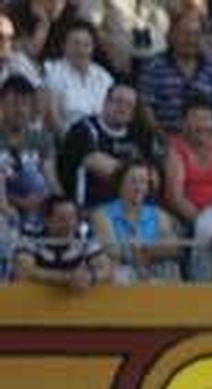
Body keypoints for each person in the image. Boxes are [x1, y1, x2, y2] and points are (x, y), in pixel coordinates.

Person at [55, 77, 160, 208]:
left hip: (132, 209)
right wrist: (141, 177)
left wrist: (138, 177)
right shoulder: (84, 129)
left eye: (129, 105)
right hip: (92, 208)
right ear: (105, 102)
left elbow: (155, 179)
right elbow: (100, 166)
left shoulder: (139, 135)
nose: (122, 108)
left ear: (133, 113)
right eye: (118, 101)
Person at [136, 7, 212, 134]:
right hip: (166, 141)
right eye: (184, 33)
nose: (190, 40)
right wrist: (161, 136)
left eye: (196, 34)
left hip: (206, 144)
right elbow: (145, 108)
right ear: (171, 35)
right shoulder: (153, 67)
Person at [90, 158, 181, 283]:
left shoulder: (159, 214)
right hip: (119, 273)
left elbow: (172, 246)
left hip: (152, 272)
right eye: (133, 181)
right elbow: (113, 252)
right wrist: (147, 251)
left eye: (143, 182)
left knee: (171, 270)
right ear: (120, 183)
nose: (138, 187)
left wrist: (144, 250)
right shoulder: (101, 214)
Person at [161, 92, 212, 230]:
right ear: (184, 123)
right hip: (188, 219)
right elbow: (174, 197)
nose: (202, 124)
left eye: (206, 118)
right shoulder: (175, 148)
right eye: (195, 118)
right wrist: (204, 222)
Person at [12, 192, 110, 289]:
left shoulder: (84, 234)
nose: (69, 224)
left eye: (72, 218)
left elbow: (106, 269)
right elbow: (24, 270)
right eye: (62, 219)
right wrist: (66, 278)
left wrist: (90, 277)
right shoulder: (30, 235)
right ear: (47, 220)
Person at [1, 73, 58, 236]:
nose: (20, 110)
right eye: (14, 104)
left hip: (39, 203)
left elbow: (50, 177)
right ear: (2, 105)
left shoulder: (42, 138)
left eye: (25, 104)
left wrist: (55, 201)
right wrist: (20, 202)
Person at [40, 17, 109, 133]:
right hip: (67, 139)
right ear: (64, 46)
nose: (81, 50)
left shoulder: (103, 76)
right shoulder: (53, 71)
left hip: (100, 139)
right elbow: (52, 119)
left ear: (93, 48)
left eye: (86, 45)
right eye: (75, 43)